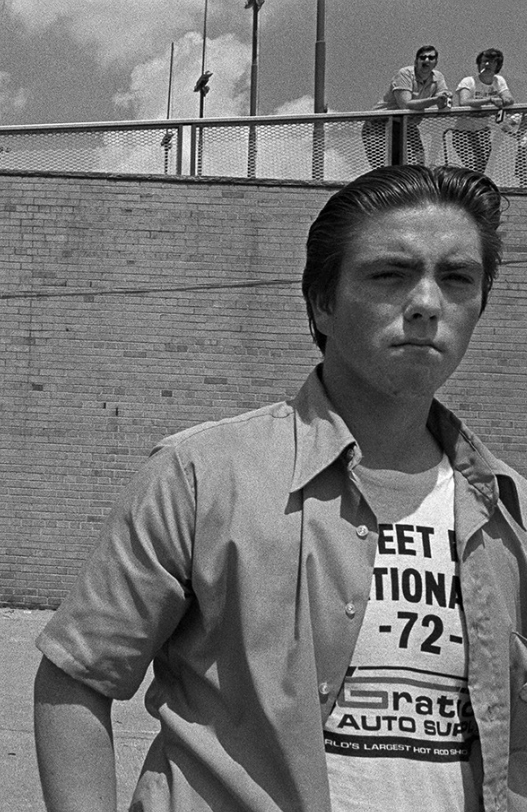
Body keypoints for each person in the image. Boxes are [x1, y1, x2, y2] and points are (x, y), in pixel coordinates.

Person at [33, 165, 527, 812]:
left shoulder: (507, 509)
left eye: (456, 278)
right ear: (321, 302)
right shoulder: (200, 475)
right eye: (389, 274)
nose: (427, 302)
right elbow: (76, 676)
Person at [362, 46, 451, 167]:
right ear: (416, 61)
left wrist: (445, 99)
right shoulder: (405, 74)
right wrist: (435, 100)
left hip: (407, 125)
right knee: (384, 168)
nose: (426, 60)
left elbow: (444, 98)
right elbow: (405, 105)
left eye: (431, 58)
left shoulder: (438, 77)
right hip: (380, 124)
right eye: (422, 57)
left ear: (436, 62)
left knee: (417, 165)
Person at [451, 49, 513, 174]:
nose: (487, 65)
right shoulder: (469, 81)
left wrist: (504, 100)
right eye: (485, 61)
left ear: (498, 65)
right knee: (471, 165)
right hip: (463, 131)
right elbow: (464, 101)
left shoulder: (498, 81)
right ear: (479, 64)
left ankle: (475, 187)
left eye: (492, 62)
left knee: (481, 166)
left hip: (482, 131)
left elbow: (509, 98)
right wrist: (489, 100)